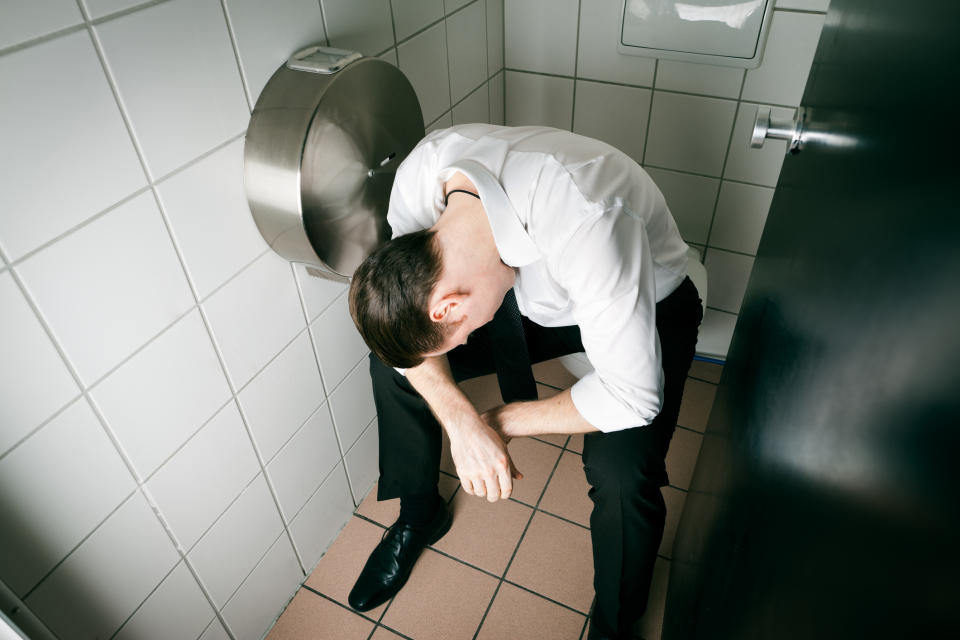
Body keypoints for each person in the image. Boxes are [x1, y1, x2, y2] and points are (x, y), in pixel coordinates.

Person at [346, 123, 702, 640]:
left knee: (622, 471)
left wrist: (496, 422)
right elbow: (406, 332)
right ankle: (418, 514)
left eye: (458, 334)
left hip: (646, 299)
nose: (465, 346)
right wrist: (460, 423)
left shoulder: (586, 217)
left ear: (450, 306)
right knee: (394, 366)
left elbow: (633, 396)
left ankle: (615, 625)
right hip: (533, 297)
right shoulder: (419, 182)